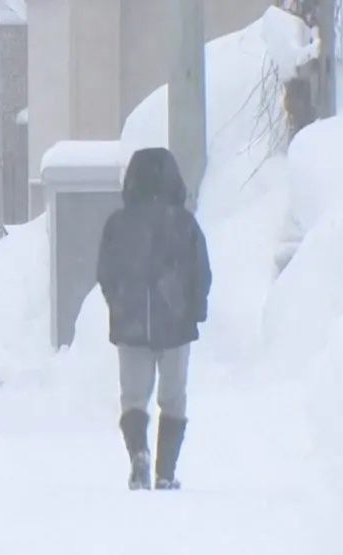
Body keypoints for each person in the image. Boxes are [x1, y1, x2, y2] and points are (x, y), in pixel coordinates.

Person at [96, 147, 212, 491]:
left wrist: (118, 303)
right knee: (173, 398)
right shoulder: (185, 223)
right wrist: (195, 310)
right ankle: (165, 473)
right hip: (175, 324)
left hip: (130, 323)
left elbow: (105, 272)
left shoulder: (118, 224)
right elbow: (201, 272)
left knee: (133, 397)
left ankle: (138, 453)